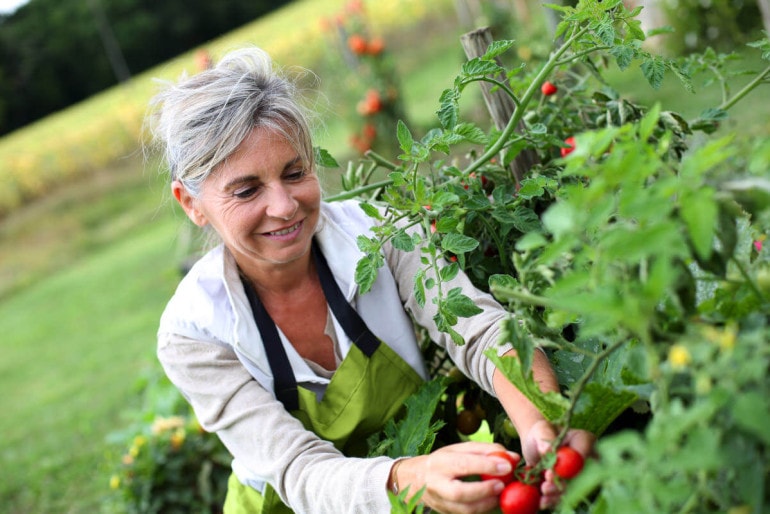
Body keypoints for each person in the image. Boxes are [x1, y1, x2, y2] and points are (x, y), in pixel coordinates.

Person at [149, 46, 594, 514]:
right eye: (246, 190)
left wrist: (541, 419)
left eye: (295, 172)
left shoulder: (382, 234)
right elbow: (298, 470)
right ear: (192, 204)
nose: (283, 206)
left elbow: (480, 333)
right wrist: (411, 477)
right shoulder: (193, 333)